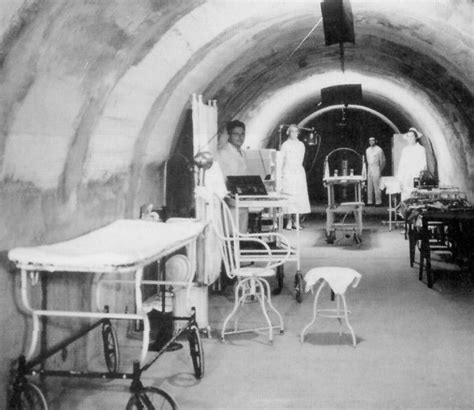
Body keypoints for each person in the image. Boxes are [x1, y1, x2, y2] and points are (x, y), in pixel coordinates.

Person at [216, 120, 249, 232]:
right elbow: (222, 179)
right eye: (236, 134)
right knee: (231, 235)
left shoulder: (242, 153)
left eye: (242, 134)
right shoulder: (223, 153)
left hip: (242, 200)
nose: (240, 137)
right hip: (230, 201)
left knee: (241, 235)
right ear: (229, 135)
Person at [280, 124, 311, 229]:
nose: (294, 134)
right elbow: (282, 159)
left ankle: (296, 221)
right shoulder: (285, 145)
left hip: (298, 173)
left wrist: (296, 169)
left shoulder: (301, 145)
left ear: (298, 133)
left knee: (298, 197)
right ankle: (289, 221)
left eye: (296, 131)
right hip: (288, 172)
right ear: (288, 132)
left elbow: (300, 159)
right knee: (289, 197)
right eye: (292, 131)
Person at [397, 127, 427, 200]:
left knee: (416, 198)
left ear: (416, 137)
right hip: (406, 178)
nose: (410, 138)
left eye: (412, 136)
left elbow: (423, 165)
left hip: (416, 177)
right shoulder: (405, 150)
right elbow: (401, 165)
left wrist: (419, 177)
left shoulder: (421, 149)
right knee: (405, 198)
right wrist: (400, 179)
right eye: (408, 136)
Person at [365, 137, 386, 206]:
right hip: (370, 168)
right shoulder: (367, 150)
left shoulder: (379, 150)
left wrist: (379, 170)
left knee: (377, 186)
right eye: (370, 141)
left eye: (372, 140)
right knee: (369, 186)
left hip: (376, 167)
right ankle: (369, 201)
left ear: (375, 141)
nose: (371, 142)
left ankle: (378, 202)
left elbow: (383, 161)